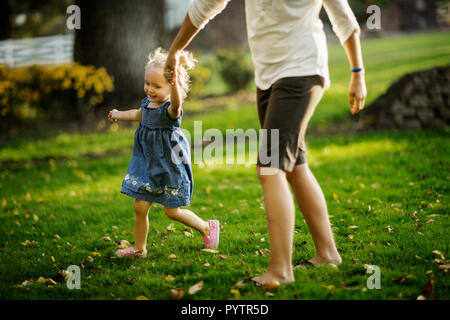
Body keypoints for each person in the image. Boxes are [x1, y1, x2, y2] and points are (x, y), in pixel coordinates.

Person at [164, 0, 367, 286]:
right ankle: (327, 253)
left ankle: (280, 271)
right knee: (294, 164)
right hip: (268, 78)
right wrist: (176, 49)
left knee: (269, 167)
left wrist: (357, 74)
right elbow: (205, 6)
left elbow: (344, 20)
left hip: (302, 70)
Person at [108, 47, 220, 258]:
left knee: (172, 212)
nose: (150, 89)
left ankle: (206, 228)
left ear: (170, 87)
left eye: (156, 86)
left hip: (169, 164)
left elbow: (177, 105)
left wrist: (175, 85)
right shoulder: (148, 103)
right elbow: (138, 114)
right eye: (147, 83)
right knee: (140, 206)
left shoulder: (170, 108)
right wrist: (118, 114)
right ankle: (140, 249)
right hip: (147, 164)